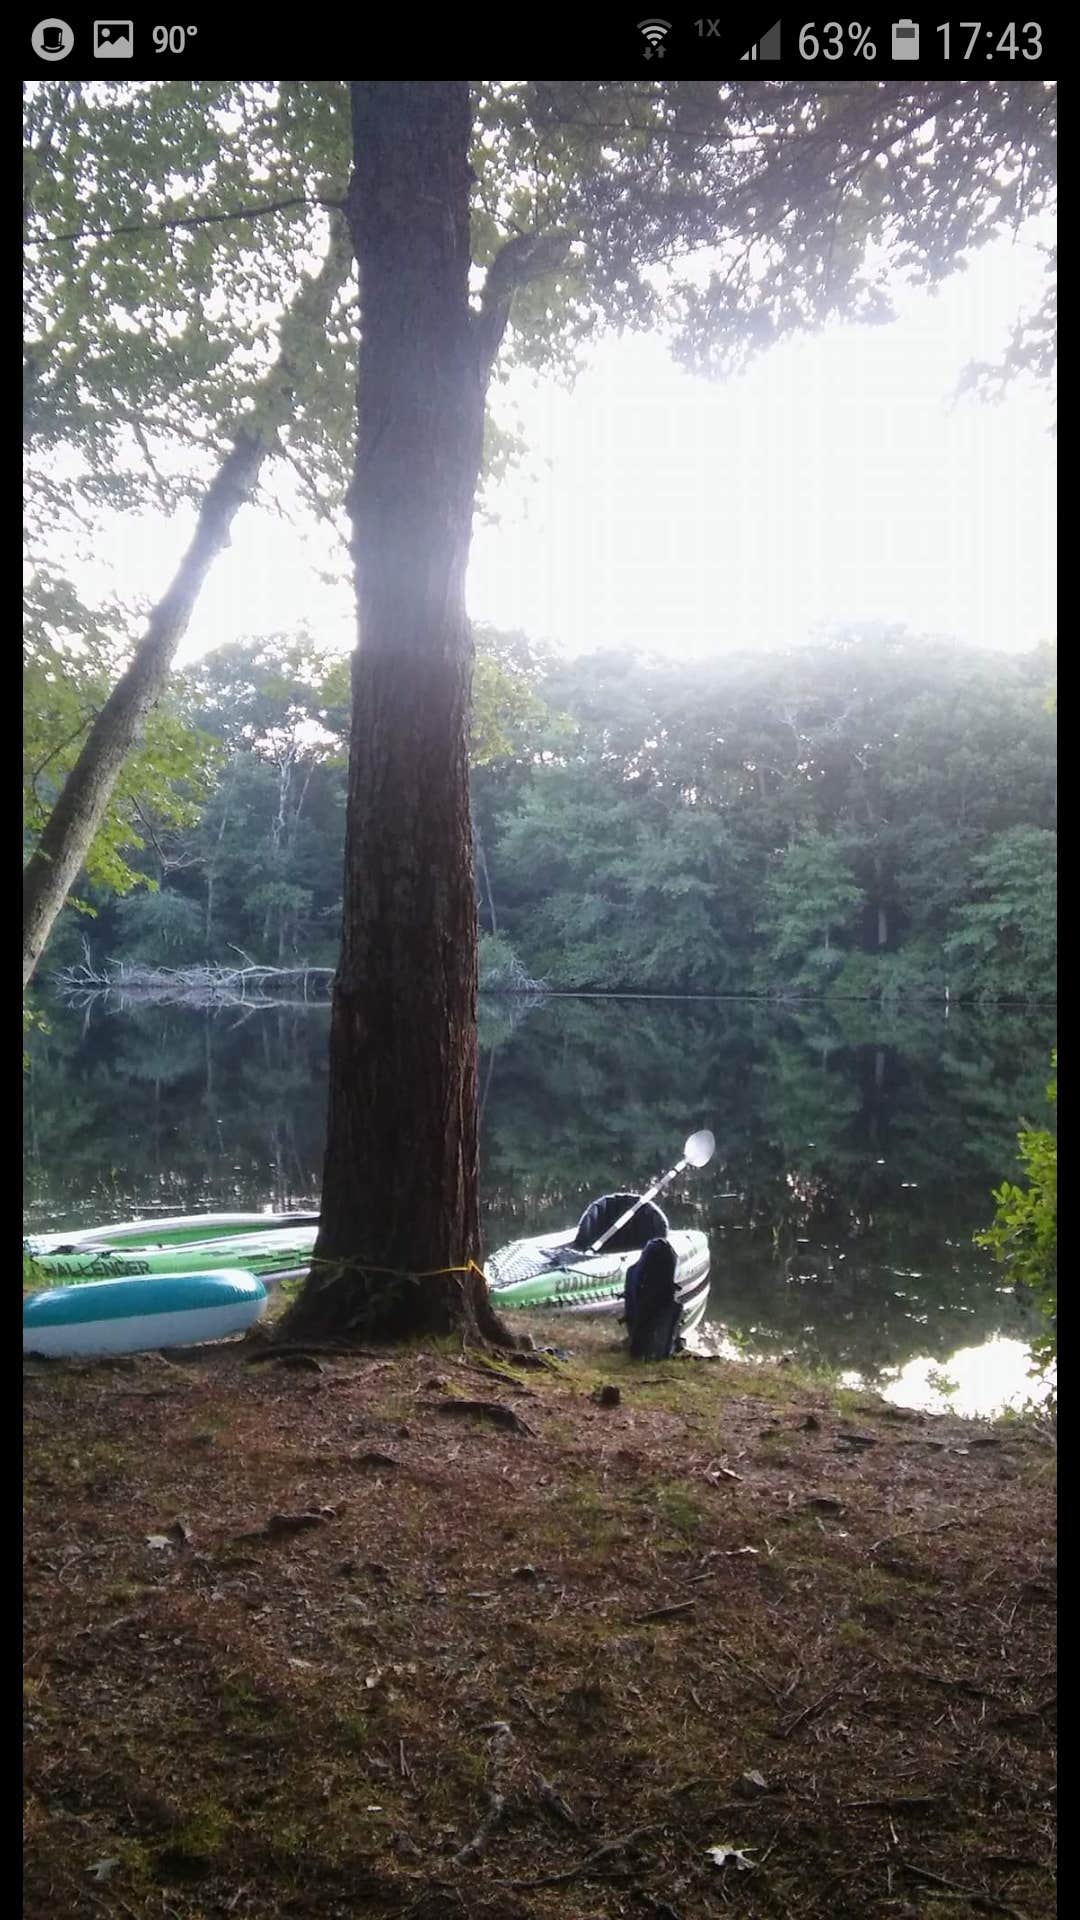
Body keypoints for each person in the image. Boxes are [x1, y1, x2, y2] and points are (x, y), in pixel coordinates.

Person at [623, 1236, 681, 1360]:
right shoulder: (667, 1254)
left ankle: (640, 1347)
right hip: (661, 1300)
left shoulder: (633, 1271)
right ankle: (659, 1348)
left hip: (645, 1301)